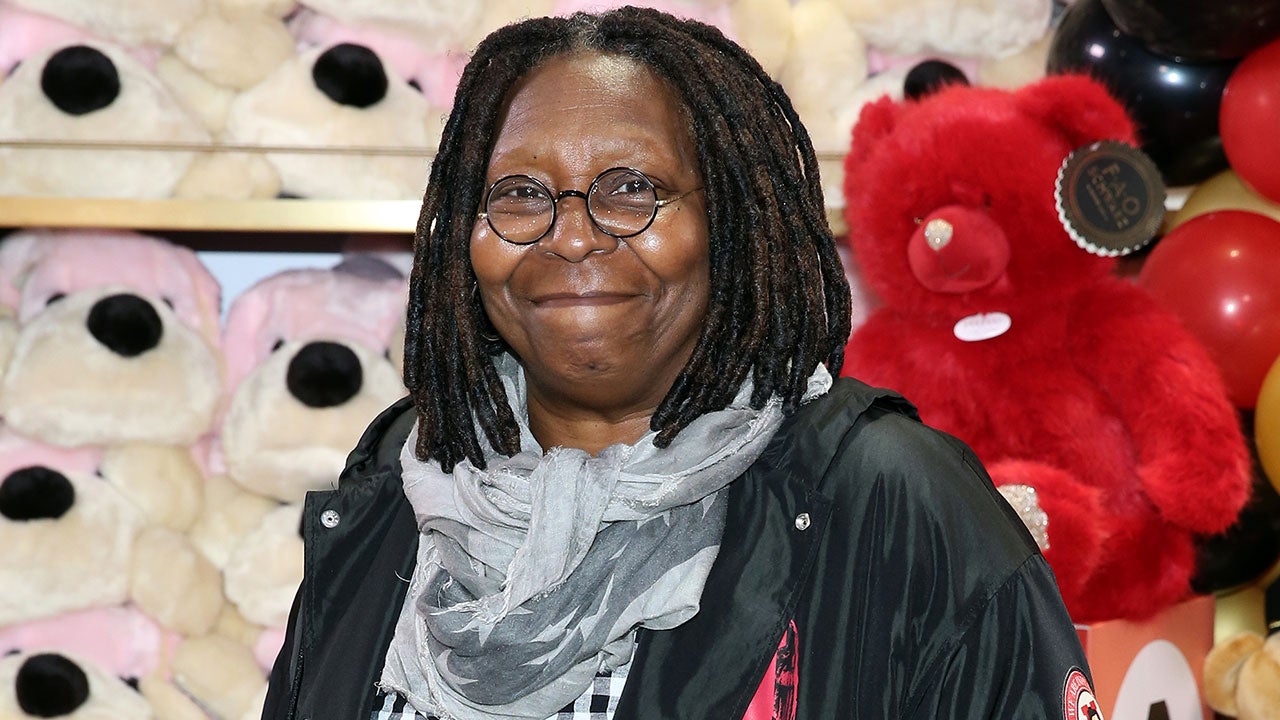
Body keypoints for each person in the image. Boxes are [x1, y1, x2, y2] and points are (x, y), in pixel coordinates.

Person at [262, 7, 1100, 720]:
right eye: (519, 194)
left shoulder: (889, 496)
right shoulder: (406, 476)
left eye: (631, 188)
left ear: (731, 221)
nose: (572, 236)